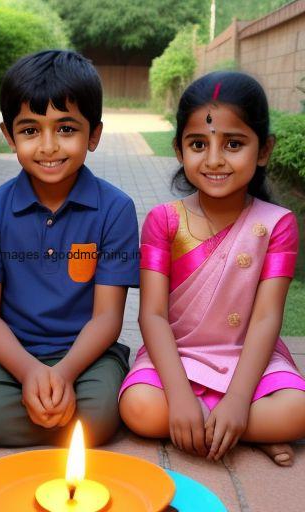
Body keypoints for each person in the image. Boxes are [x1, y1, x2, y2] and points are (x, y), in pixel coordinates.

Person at [119, 71, 305, 466]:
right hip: (177, 354)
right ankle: (242, 432)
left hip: (248, 357)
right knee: (138, 407)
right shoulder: (163, 220)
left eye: (234, 143)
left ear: (264, 150)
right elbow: (151, 315)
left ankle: (222, 424)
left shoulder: (276, 224)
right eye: (198, 144)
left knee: (298, 410)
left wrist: (238, 399)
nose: (215, 159)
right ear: (178, 150)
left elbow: (266, 318)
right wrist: (180, 395)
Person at [0, 50, 139, 447]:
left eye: (65, 129)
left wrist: (62, 373)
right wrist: (29, 373)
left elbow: (107, 318)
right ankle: (56, 420)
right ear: (8, 136)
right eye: (30, 130)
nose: (48, 146)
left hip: (88, 356)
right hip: (11, 355)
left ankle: (60, 415)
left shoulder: (115, 209)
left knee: (101, 413)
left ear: (93, 135)